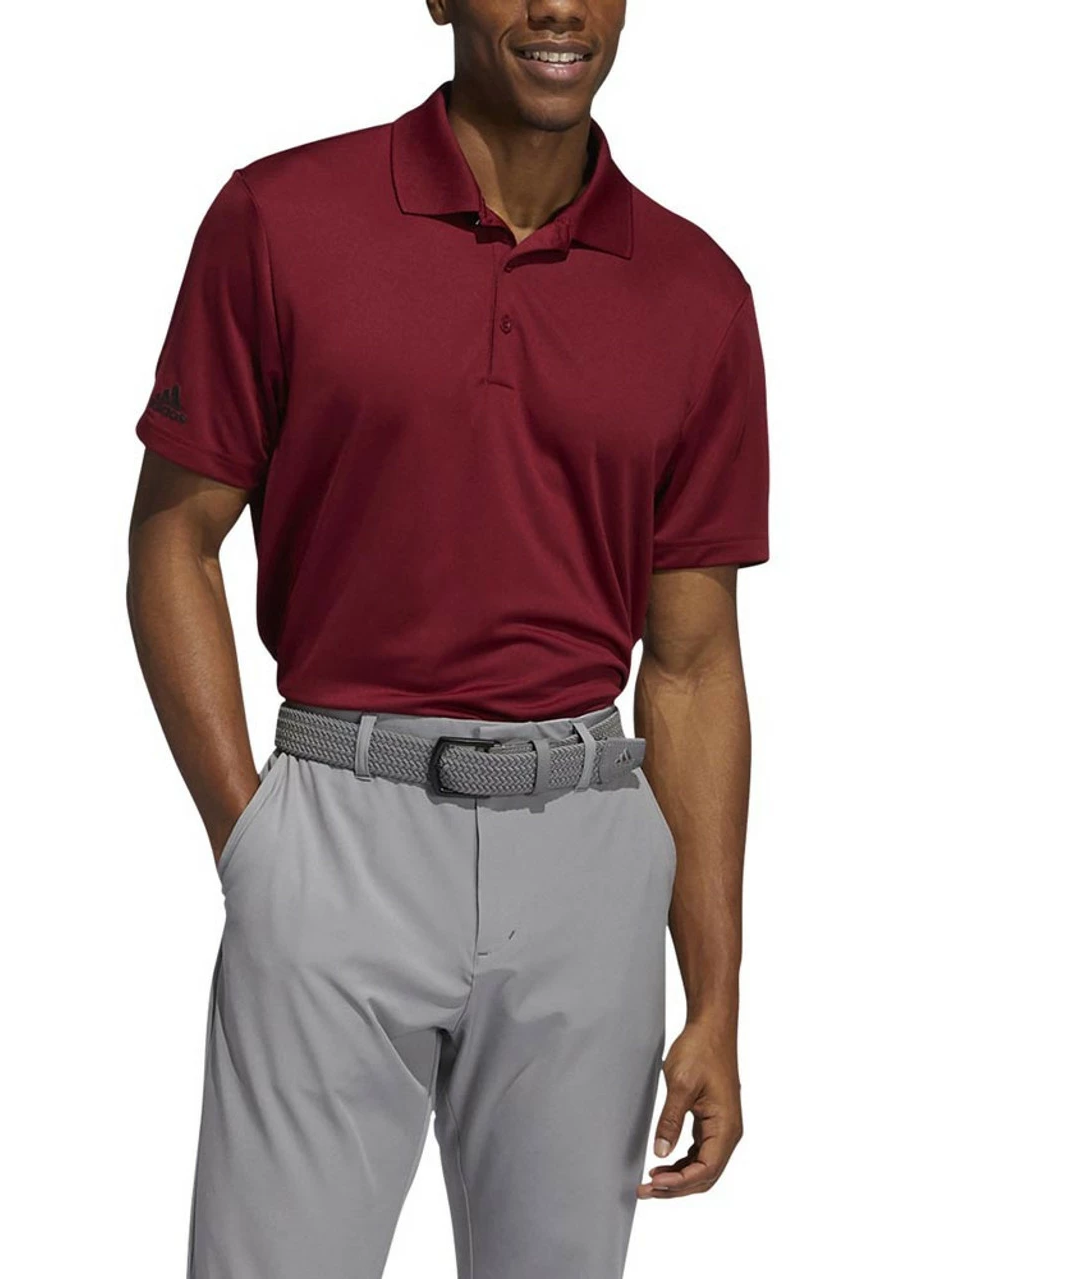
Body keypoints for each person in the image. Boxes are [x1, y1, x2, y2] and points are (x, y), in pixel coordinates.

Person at [126, 2, 768, 1275]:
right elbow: (173, 544)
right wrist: (252, 839)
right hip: (338, 829)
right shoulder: (280, 219)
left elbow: (693, 664)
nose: (557, 8)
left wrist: (714, 997)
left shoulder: (695, 290)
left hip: (587, 852)